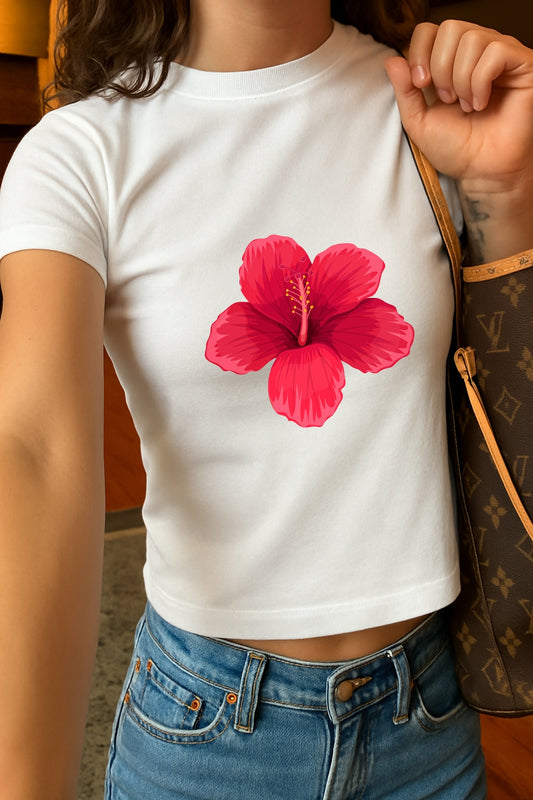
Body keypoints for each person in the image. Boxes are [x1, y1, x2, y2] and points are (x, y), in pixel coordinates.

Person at [0, 0, 532, 797]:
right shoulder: (80, 152)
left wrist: (504, 190)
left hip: (428, 715)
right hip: (204, 733)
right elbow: (35, 451)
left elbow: (504, 399)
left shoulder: (437, 107)